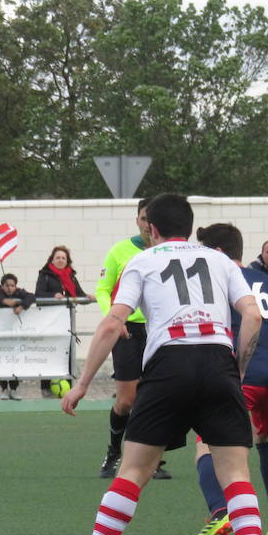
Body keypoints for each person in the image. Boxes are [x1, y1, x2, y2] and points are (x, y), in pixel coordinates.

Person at [52, 193, 268, 535]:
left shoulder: (141, 261)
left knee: (134, 471)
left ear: (150, 229)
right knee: (236, 475)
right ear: (189, 227)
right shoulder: (221, 260)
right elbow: (252, 314)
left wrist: (82, 384)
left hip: (168, 365)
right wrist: (236, 370)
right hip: (217, 364)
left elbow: (111, 325)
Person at [186, 223, 268, 535]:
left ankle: (219, 512)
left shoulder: (219, 282)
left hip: (246, 374)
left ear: (219, 253)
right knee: (267, 437)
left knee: (206, 443)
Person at [95, 198, 171, 480]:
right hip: (128, 330)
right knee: (127, 400)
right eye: (142, 218)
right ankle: (114, 451)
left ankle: (151, 459)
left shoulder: (167, 252)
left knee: (154, 397)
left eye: (150, 220)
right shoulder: (120, 251)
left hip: (159, 331)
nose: (147, 225)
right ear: (137, 220)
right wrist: (115, 319)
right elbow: (103, 289)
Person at [35, 245, 95, 399]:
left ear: (67, 261)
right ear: (52, 260)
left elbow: (78, 294)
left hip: (67, 322)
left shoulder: (71, 276)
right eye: (58, 258)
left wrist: (88, 298)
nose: (61, 260)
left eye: (63, 258)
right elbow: (38, 295)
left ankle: (68, 385)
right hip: (50, 322)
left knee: (67, 353)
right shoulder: (45, 275)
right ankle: (46, 386)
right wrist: (52, 296)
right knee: (49, 353)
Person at [0, 273, 36, 401]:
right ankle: (3, 388)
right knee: (2, 360)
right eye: (7, 285)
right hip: (1, 333)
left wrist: (22, 306)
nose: (9, 288)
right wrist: (4, 300)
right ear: (2, 286)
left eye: (12, 285)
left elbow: (31, 296)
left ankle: (14, 388)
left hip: (15, 334)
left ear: (16, 286)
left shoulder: (19, 293)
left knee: (15, 360)